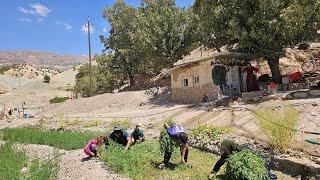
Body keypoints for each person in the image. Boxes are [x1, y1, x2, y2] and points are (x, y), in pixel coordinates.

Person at [208, 140, 277, 180]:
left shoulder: (243, 152)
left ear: (230, 147)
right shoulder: (227, 154)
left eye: (225, 149)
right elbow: (219, 163)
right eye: (223, 150)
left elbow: (255, 161)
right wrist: (213, 172)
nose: (223, 152)